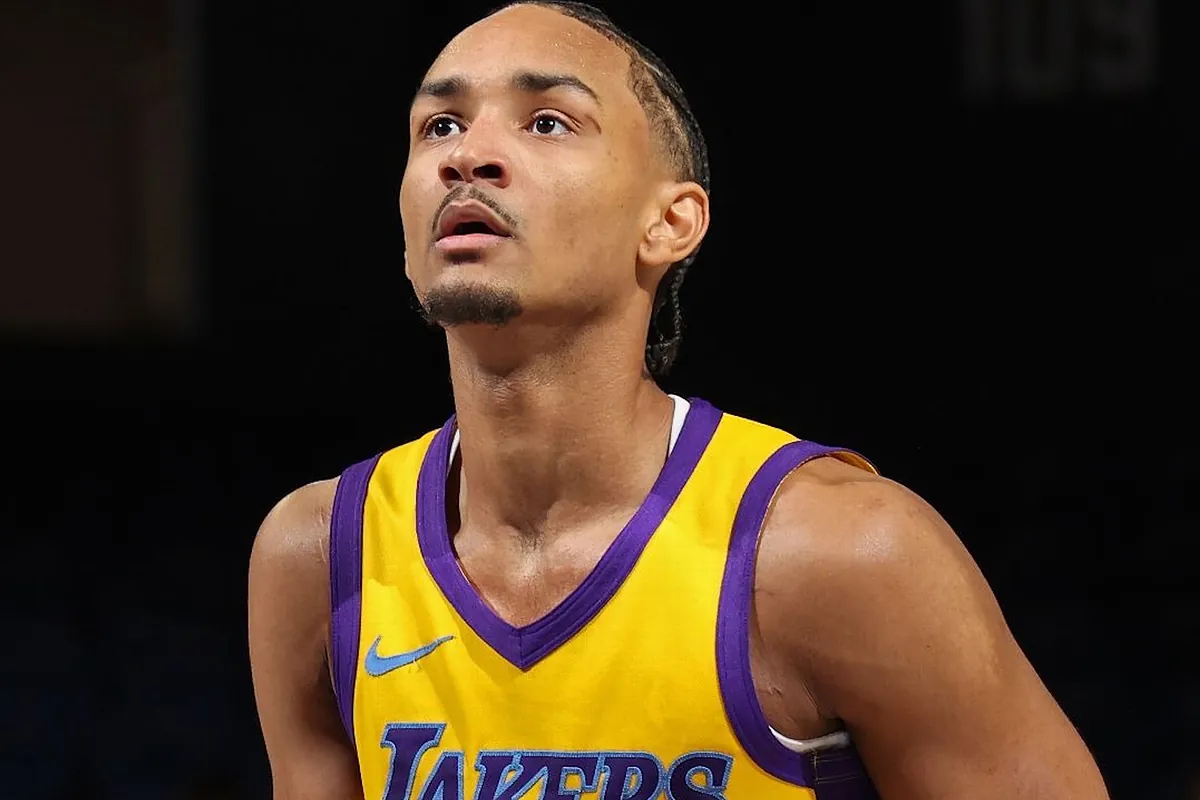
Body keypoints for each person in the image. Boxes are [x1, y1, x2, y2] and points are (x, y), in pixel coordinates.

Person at [247, 3, 1110, 798]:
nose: (466, 156)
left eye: (547, 121)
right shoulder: (318, 560)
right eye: (440, 124)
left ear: (671, 223)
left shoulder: (839, 553)